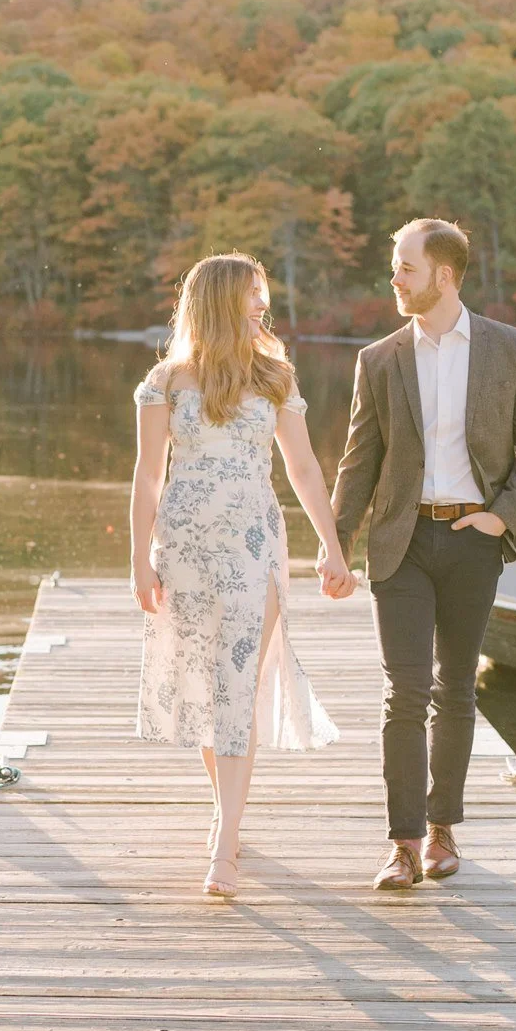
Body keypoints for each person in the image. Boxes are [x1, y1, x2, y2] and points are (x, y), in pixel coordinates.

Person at [332, 218, 516, 891]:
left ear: (444, 275)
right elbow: (357, 460)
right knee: (404, 691)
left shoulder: (508, 348)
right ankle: (400, 844)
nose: (394, 278)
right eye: (395, 266)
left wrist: (499, 515)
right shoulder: (378, 358)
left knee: (454, 688)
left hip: (471, 541)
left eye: (404, 266)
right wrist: (333, 545)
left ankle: (440, 831)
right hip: (400, 542)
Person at [130, 252, 355, 898]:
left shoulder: (275, 376)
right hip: (183, 551)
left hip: (253, 547)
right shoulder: (167, 382)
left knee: (238, 687)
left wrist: (332, 548)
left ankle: (225, 845)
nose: (263, 306)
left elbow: (305, 470)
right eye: (253, 296)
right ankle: (225, 812)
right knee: (206, 693)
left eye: (264, 296)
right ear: (220, 302)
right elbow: (147, 478)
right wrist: (137, 561)